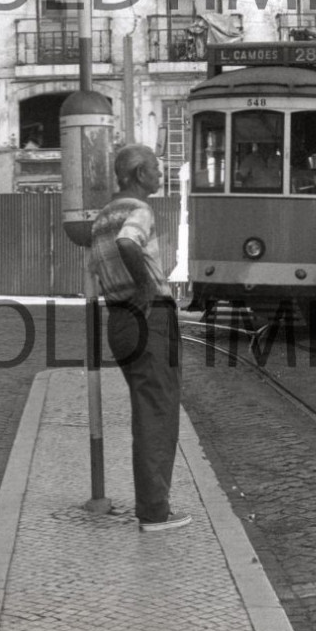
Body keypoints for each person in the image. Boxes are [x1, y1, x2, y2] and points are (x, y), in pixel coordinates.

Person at [90, 144, 190, 534]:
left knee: (146, 411)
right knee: (158, 415)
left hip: (119, 319)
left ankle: (153, 506)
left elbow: (103, 258)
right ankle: (154, 512)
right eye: (155, 168)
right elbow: (128, 243)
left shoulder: (101, 217)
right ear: (136, 174)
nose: (160, 174)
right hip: (149, 318)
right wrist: (146, 287)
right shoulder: (139, 210)